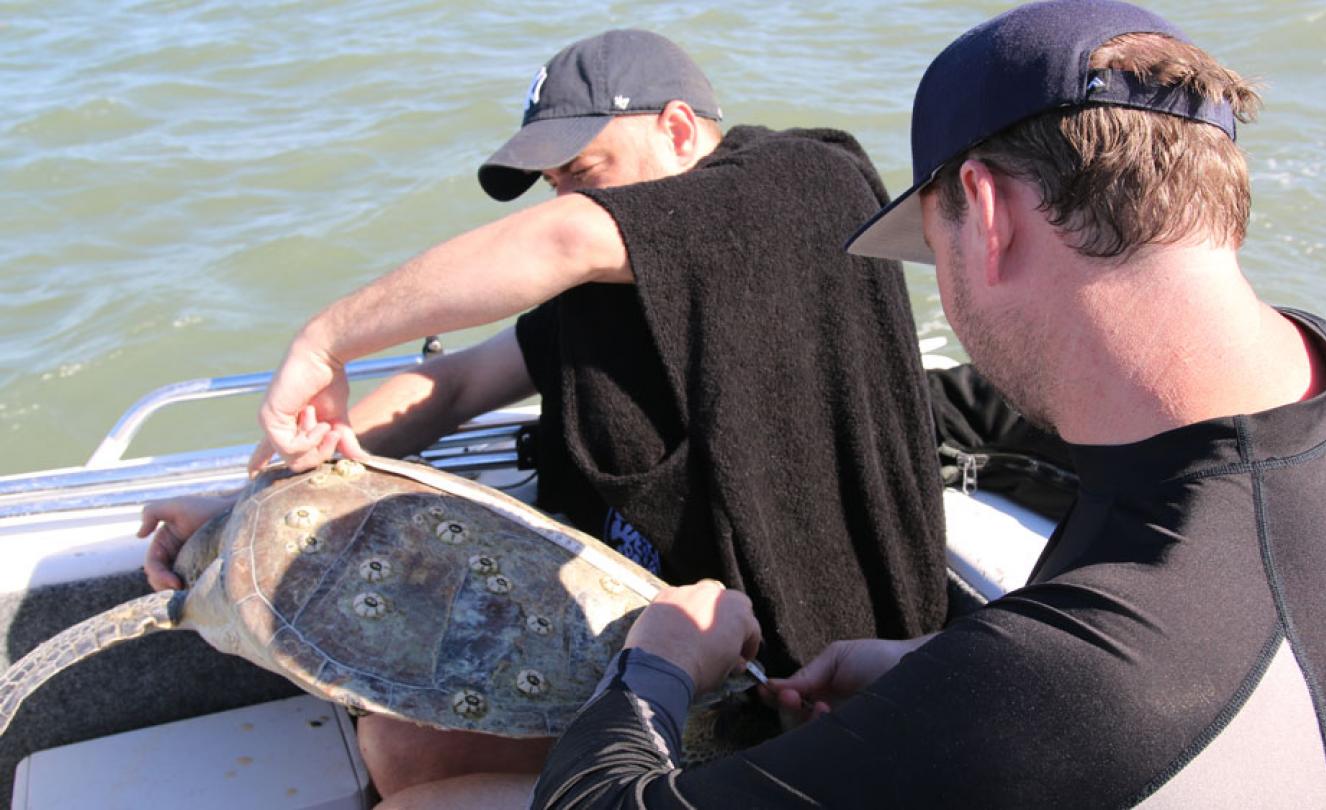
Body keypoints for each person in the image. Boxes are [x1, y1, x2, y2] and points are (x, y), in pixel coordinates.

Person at [527, 2, 1326, 807]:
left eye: (932, 249)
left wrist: (660, 663)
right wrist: (931, 672)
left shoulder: (1080, 681)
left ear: (987, 210)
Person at [141, 28, 949, 803]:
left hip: (803, 679)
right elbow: (450, 388)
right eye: (555, 183)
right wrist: (248, 502)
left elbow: (562, 241)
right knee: (397, 744)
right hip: (652, 650)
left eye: (582, 169)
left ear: (675, 129)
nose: (566, 196)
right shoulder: (601, 291)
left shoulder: (800, 178)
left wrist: (325, 341)